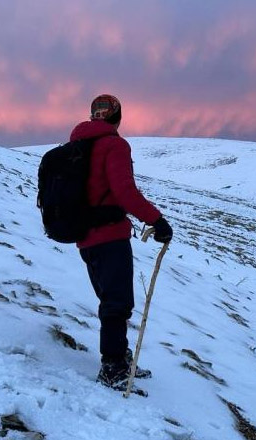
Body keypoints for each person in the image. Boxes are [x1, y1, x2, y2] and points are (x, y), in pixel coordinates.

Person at [70, 94, 173, 391]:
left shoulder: (79, 145)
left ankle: (119, 356)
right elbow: (125, 191)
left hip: (85, 237)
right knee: (118, 302)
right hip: (109, 235)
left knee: (110, 300)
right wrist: (157, 220)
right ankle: (113, 366)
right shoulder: (114, 145)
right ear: (118, 118)